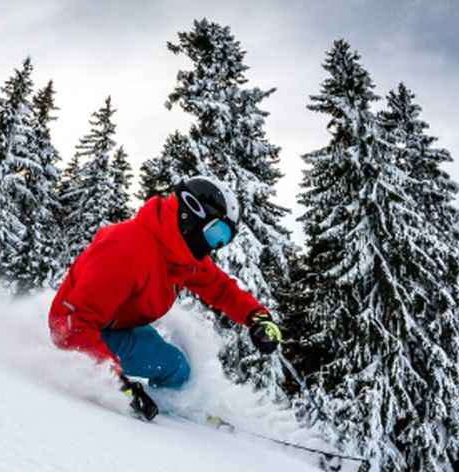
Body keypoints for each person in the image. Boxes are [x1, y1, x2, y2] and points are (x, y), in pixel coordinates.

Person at [48, 176, 283, 419]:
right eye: (216, 233)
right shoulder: (126, 249)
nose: (215, 246)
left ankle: (176, 413)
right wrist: (119, 387)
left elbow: (220, 287)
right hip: (81, 330)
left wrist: (258, 317)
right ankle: (160, 430)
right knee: (169, 371)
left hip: (119, 327)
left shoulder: (181, 255)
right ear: (191, 214)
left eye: (224, 239)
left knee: (176, 369)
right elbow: (74, 324)